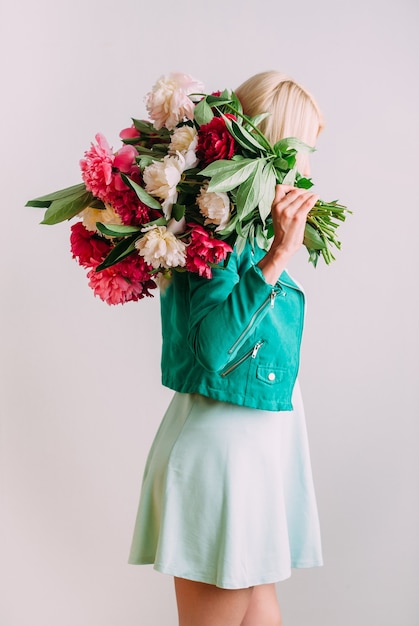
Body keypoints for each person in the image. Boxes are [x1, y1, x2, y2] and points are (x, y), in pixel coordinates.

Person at [129, 70, 325, 626]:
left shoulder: (249, 227)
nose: (310, 169)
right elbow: (214, 349)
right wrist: (275, 259)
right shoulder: (212, 229)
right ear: (274, 145)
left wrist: (272, 249)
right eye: (305, 147)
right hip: (223, 463)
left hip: (257, 454)